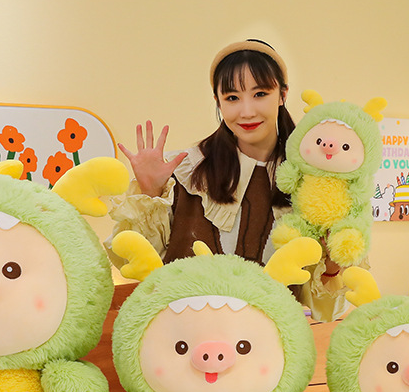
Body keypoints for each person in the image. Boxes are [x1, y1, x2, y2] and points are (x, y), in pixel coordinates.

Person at [106, 39, 346, 322]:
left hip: (269, 341)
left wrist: (333, 263)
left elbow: (325, 309)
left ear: (282, 94)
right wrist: (151, 191)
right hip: (183, 336)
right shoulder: (185, 170)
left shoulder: (312, 183)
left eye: (260, 94)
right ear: (218, 101)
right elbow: (132, 261)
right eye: (232, 98)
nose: (247, 111)